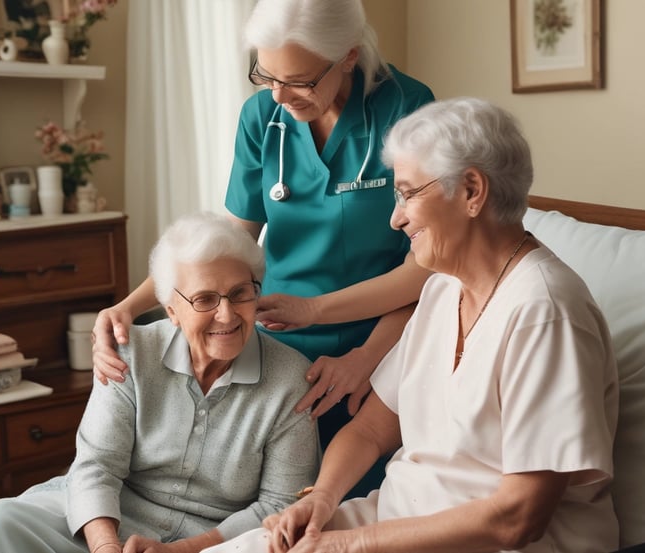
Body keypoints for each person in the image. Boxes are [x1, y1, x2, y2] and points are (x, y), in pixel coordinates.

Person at [202, 97, 620, 553]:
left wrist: (351, 546)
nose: (395, 217)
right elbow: (370, 429)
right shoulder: (443, 289)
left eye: (408, 193)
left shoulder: (544, 312)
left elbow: (518, 517)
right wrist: (320, 499)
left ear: (471, 191)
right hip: (394, 524)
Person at [91, 0, 434, 495]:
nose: (279, 95)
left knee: (349, 504)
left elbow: (427, 266)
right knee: (252, 502)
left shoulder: (407, 110)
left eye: (299, 81)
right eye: (266, 75)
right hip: (276, 345)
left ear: (348, 56)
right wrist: (127, 306)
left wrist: (367, 357)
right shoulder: (263, 117)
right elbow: (229, 243)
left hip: (379, 346)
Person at [0, 212, 320, 553]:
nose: (226, 314)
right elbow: (97, 466)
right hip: (105, 516)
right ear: (172, 311)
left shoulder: (290, 378)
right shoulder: (131, 353)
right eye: (204, 299)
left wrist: (180, 550)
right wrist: (106, 546)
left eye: (240, 293)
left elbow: (281, 502)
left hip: (214, 539)